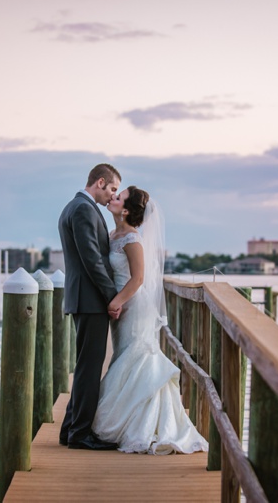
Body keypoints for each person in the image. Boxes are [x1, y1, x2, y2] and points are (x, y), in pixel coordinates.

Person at [93, 186, 208, 455]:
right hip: (124, 305)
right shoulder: (114, 234)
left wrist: (116, 301)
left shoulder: (132, 238)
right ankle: (129, 416)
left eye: (118, 197)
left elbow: (139, 279)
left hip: (134, 307)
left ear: (127, 210)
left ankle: (143, 424)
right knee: (125, 356)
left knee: (138, 357)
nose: (113, 197)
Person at [58, 163, 123, 451]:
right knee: (89, 367)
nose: (113, 196)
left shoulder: (75, 206)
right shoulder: (83, 209)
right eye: (111, 189)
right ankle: (80, 434)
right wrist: (112, 296)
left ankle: (70, 429)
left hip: (84, 299)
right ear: (99, 182)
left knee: (86, 366)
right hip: (91, 300)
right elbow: (92, 260)